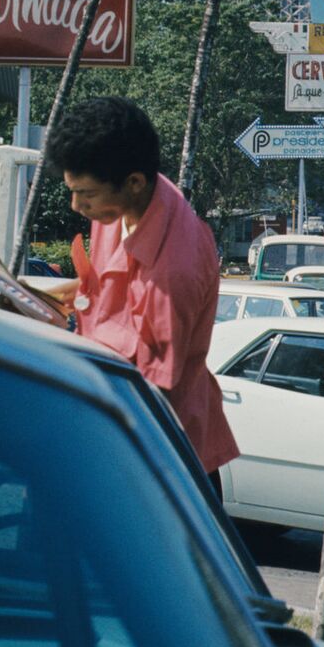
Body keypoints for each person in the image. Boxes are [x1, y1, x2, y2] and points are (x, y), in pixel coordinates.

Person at [49, 97, 238, 482]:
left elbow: (151, 392)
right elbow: (113, 288)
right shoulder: (125, 203)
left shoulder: (173, 270)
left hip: (160, 459)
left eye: (85, 193)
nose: (75, 205)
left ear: (134, 182)